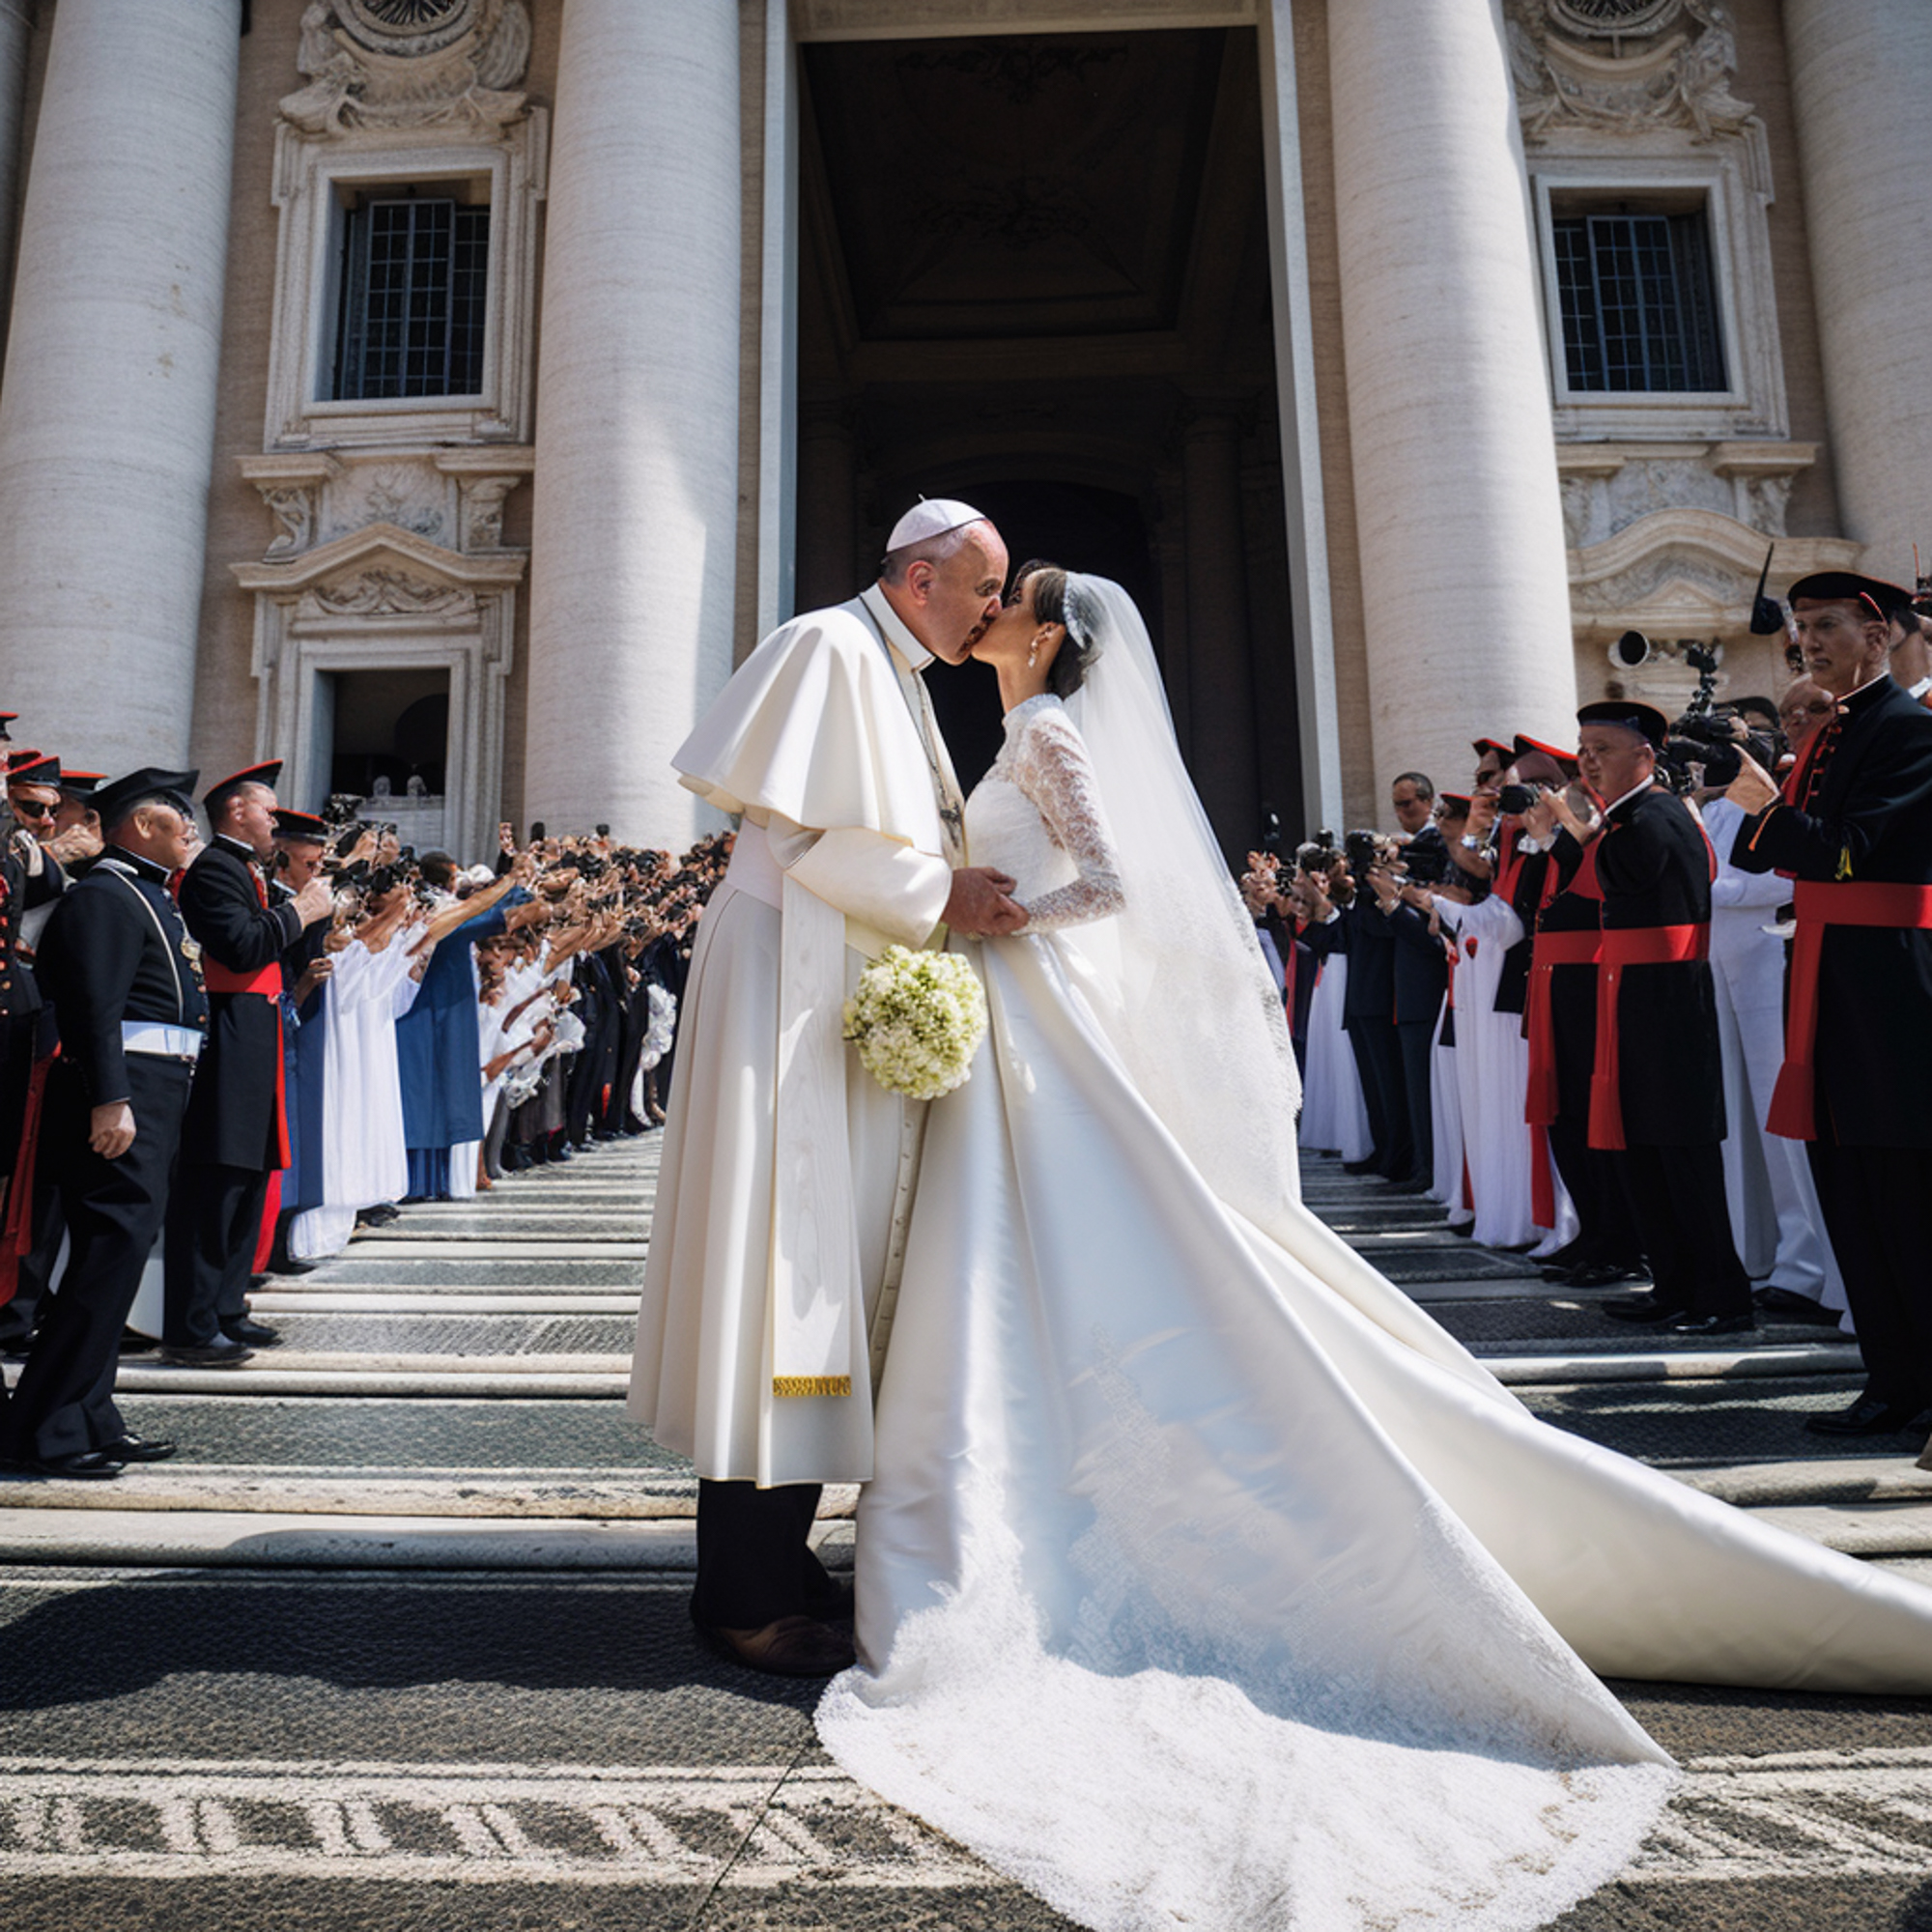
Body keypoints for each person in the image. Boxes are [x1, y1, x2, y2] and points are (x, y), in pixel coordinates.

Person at [815, 569, 1932, 1932]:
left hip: (1052, 1000)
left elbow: (1099, 882)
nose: (980, 611)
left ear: (1045, 632)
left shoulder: (1048, 732)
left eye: (1002, 598)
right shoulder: (1022, 729)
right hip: (1038, 1023)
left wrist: (995, 916)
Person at [628, 497, 1028, 1678]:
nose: (993, 609)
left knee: (825, 1275)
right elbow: (799, 833)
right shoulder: (826, 647)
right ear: (918, 577)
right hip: (786, 1000)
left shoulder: (894, 667)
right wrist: (942, 896)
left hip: (826, 995)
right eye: (981, 586)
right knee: (786, 1276)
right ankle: (739, 1592)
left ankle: (777, 1553)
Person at [1728, 570, 1932, 1437]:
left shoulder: (1910, 731)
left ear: (1877, 634)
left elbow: (1847, 854)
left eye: (1825, 627)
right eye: (1802, 629)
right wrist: (1765, 811)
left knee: (1907, 1195)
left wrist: (1765, 809)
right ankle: (1892, 1378)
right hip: (1829, 973)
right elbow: (1776, 861)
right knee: (1850, 1188)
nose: (1806, 642)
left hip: (1890, 982)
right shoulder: (1838, 732)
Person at [5, 771, 205, 1476]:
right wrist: (109, 1098)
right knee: (101, 1263)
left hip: (154, 1090)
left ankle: (89, 1413)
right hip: (120, 1096)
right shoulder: (105, 895)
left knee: (114, 1265)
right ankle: (46, 1429)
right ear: (143, 825)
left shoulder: (144, 894)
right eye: (182, 822)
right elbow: (95, 1007)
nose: (193, 835)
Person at [162, 762, 331, 1365]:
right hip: (229, 1031)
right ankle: (192, 1323)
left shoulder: (242, 868)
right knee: (217, 1180)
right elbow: (240, 943)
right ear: (236, 810)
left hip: (254, 1032)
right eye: (267, 810)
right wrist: (302, 913)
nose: (274, 821)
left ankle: (227, 1308)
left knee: (249, 1175)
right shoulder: (214, 869)